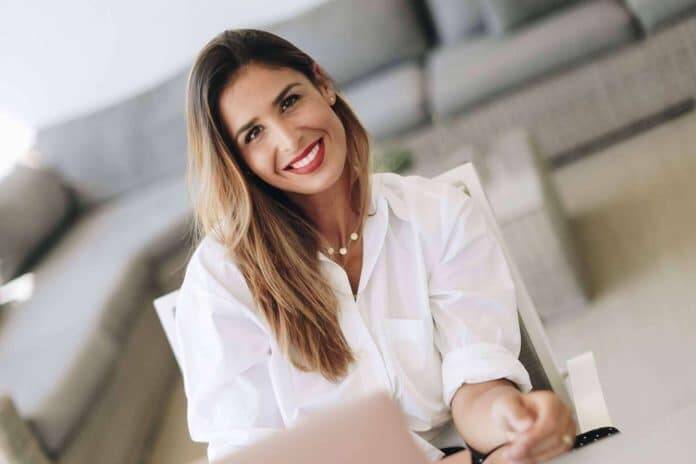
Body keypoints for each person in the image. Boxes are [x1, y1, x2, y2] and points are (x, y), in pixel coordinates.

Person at [177, 28, 576, 464]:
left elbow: (477, 382)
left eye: (289, 102)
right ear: (237, 162)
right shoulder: (221, 281)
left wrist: (512, 421)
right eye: (254, 133)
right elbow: (250, 454)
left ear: (323, 84)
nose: (289, 139)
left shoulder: (437, 214)